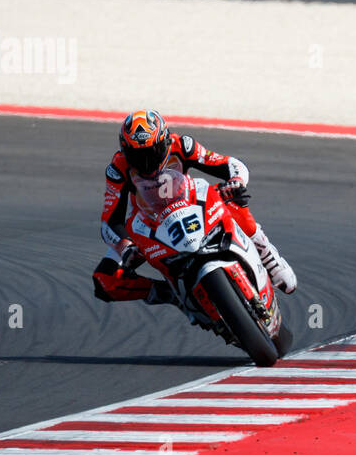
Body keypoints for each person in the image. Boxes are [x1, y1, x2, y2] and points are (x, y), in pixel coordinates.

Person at [91, 109, 296, 308]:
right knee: (105, 281)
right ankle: (174, 295)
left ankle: (268, 256)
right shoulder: (118, 168)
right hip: (149, 226)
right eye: (138, 156)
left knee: (232, 197)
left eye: (151, 152)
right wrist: (126, 247)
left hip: (191, 207)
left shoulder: (183, 146)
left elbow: (231, 164)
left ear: (165, 141)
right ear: (125, 151)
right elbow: (109, 222)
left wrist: (236, 182)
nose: (146, 162)